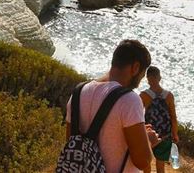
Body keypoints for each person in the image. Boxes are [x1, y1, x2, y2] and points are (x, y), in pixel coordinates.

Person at [65, 39, 160, 173]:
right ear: (135, 67)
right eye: (142, 75)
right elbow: (142, 162)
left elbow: (71, 144)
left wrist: (138, 134)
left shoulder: (78, 92)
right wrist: (149, 140)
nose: (140, 81)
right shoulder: (129, 100)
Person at [140, 66, 179, 173]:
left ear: (147, 79)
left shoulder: (143, 96)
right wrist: (175, 134)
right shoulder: (169, 96)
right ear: (159, 78)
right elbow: (173, 117)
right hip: (165, 135)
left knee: (146, 162)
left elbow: (138, 116)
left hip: (149, 134)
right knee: (160, 165)